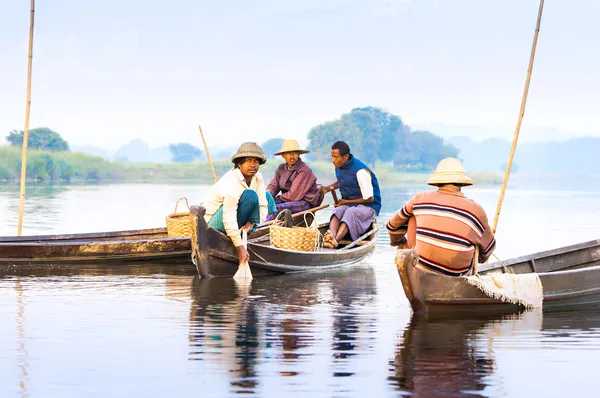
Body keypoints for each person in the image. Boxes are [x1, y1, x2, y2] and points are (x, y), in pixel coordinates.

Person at [386, 157, 496, 276]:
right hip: (457, 276)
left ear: (438, 182)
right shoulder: (476, 210)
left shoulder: (419, 199)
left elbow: (392, 227)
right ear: (461, 184)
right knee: (475, 236)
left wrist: (400, 242)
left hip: (420, 269)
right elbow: (487, 252)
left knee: (411, 216)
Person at [203, 142, 277, 265]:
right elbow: (229, 216)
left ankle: (247, 227)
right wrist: (240, 248)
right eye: (248, 161)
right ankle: (235, 234)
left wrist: (253, 221)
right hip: (212, 225)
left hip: (233, 217)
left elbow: (263, 205)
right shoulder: (232, 181)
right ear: (239, 163)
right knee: (250, 195)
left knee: (267, 196)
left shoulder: (257, 177)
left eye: (256, 161)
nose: (253, 165)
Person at [321, 141, 382, 248]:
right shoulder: (339, 166)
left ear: (345, 156)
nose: (333, 160)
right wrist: (326, 189)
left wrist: (346, 202)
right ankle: (331, 237)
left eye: (336, 157)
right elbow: (342, 181)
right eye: (332, 156)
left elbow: (370, 199)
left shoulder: (361, 171)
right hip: (351, 203)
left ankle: (336, 240)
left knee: (351, 212)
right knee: (337, 211)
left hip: (369, 206)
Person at [265, 139, 321, 222]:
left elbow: (293, 195)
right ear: (283, 155)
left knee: (274, 208)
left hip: (303, 202)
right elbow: (273, 186)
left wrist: (277, 199)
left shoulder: (304, 170)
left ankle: (261, 229)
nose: (292, 156)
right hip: (287, 199)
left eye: (295, 153)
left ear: (298, 154)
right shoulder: (281, 168)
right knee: (263, 205)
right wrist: (267, 197)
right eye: (288, 153)